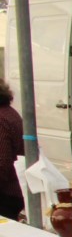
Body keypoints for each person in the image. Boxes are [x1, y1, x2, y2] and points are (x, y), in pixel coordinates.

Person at [0, 79, 26, 219]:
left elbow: (2, 164)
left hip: (6, 195)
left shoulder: (1, 119)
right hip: (14, 191)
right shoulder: (8, 112)